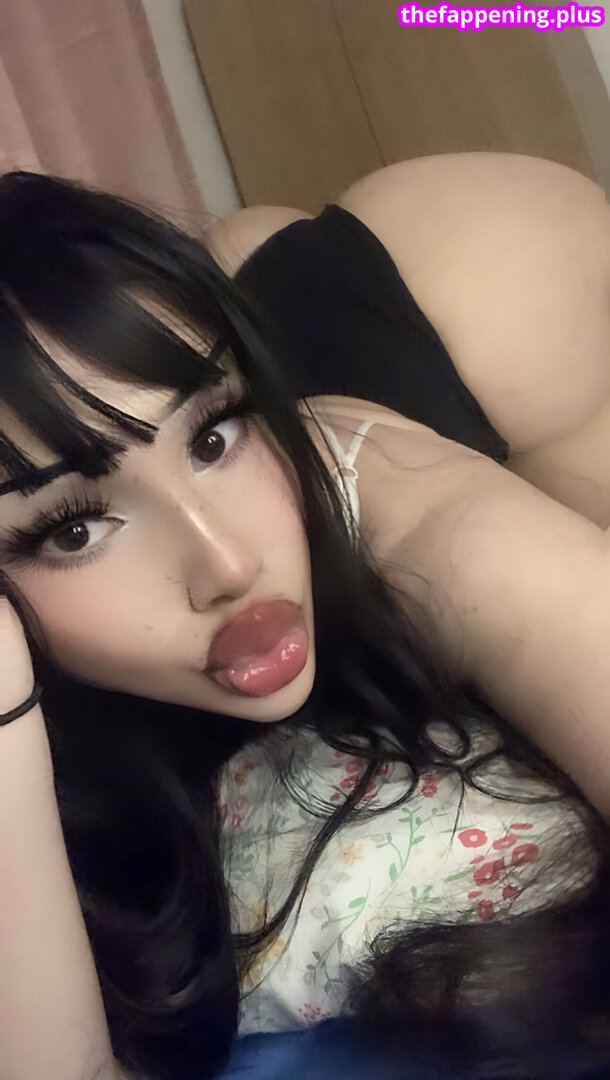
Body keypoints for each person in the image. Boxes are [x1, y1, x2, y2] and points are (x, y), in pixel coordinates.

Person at [0, 166, 609, 1080]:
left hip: (404, 361)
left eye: (215, 435)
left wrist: (436, 512)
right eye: (74, 530)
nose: (229, 565)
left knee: (465, 244)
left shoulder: (376, 480)